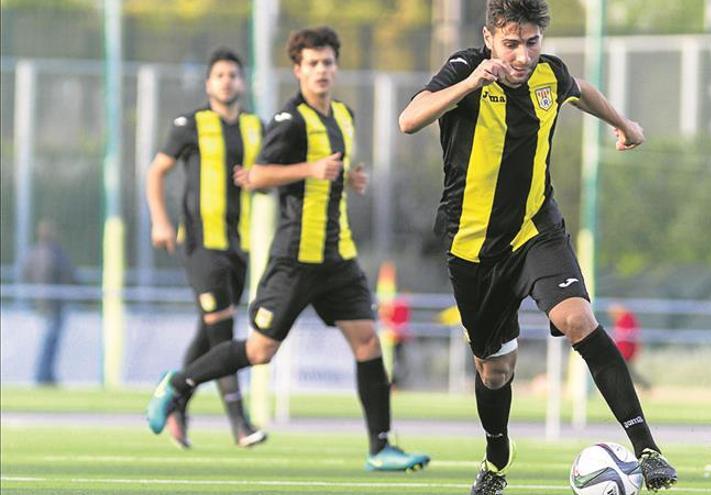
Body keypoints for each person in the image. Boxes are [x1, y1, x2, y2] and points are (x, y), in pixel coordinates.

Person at [398, 0, 677, 492]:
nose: (522, 56)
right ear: (489, 39)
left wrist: (624, 123)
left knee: (578, 319)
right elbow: (408, 119)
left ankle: (648, 451)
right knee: (495, 372)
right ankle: (496, 459)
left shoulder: (550, 76)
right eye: (511, 44)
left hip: (536, 232)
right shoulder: (465, 70)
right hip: (474, 251)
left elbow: (581, 90)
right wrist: (469, 84)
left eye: (531, 43)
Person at [147, 27, 430, 472]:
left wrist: (348, 178)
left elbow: (329, 173)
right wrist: (310, 168)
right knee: (259, 352)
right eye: (312, 63)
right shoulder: (287, 120)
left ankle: (381, 448)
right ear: (298, 70)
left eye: (328, 63)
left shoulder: (344, 115)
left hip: (338, 257)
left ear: (336, 67)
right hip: (294, 258)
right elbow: (257, 176)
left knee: (368, 341)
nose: (321, 70)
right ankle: (179, 384)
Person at [145, 47, 266, 449]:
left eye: (233, 74)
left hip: (239, 246)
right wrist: (160, 220)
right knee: (222, 330)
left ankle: (176, 396)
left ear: (242, 82)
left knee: (209, 330)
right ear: (208, 83)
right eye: (219, 75)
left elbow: (268, 176)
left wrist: (261, 180)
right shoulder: (190, 124)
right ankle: (240, 423)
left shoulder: (255, 127)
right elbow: (156, 171)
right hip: (200, 244)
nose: (227, 81)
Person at [22, 219, 76, 386]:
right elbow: (69, 275)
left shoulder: (33, 253)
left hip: (41, 305)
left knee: (48, 341)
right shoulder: (55, 254)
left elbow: (25, 275)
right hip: (54, 305)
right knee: (49, 342)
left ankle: (44, 374)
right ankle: (43, 375)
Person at [610, 304, 652, 391]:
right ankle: (645, 386)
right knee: (628, 372)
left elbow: (633, 337)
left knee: (628, 372)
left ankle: (646, 386)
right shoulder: (621, 321)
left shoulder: (627, 320)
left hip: (626, 352)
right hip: (623, 352)